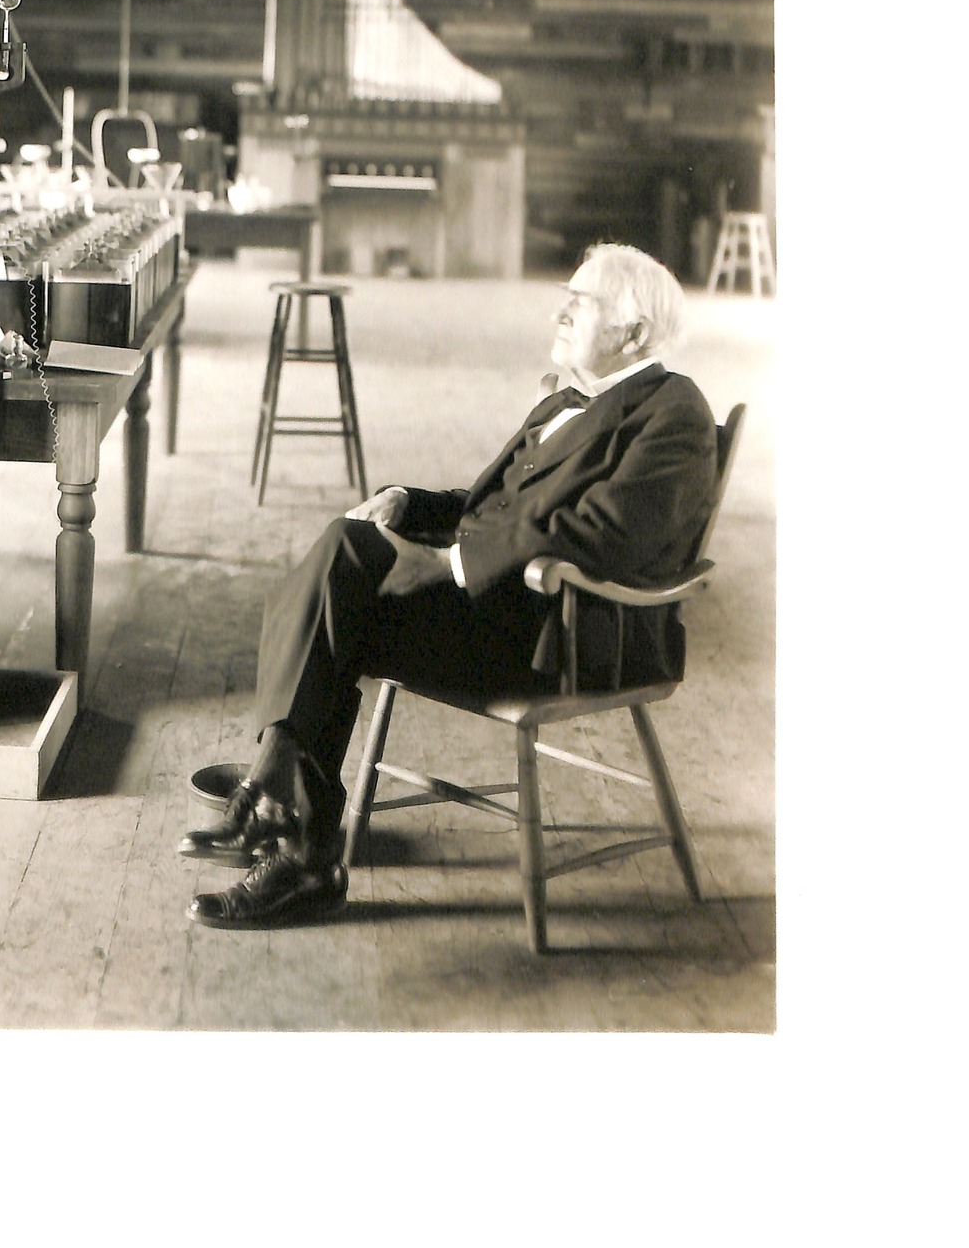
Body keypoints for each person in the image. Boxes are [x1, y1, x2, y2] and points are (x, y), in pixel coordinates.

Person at [180, 241, 718, 929]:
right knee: (342, 577)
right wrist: (412, 501)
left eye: (579, 303)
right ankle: (286, 812)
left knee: (341, 582)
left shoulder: (673, 412)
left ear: (633, 331)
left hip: (565, 635)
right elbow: (496, 507)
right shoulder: (571, 399)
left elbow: (606, 533)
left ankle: (284, 816)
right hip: (507, 608)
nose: (559, 311)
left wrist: (449, 565)